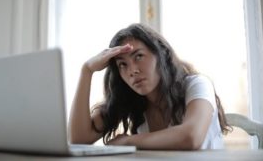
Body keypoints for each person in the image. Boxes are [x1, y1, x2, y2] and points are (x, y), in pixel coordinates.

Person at [69, 23, 231, 150]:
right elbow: (78, 139)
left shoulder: (197, 84)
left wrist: (128, 141)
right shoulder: (131, 99)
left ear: (161, 54)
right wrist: (87, 71)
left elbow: (191, 137)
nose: (132, 70)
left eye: (138, 56)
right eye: (122, 65)